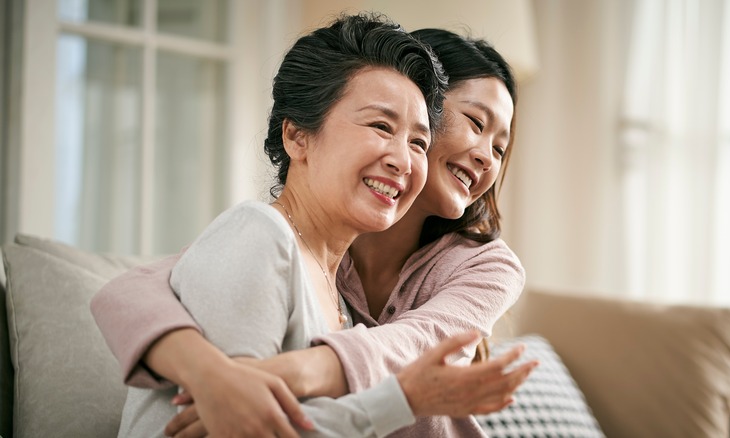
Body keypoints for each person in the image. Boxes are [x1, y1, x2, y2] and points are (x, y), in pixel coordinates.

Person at [91, 24, 534, 438]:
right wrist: (211, 375)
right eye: (475, 123)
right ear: (298, 135)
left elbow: (413, 347)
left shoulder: (485, 266)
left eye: (500, 147)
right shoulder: (272, 237)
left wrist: (244, 384)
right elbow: (135, 290)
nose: (486, 157)